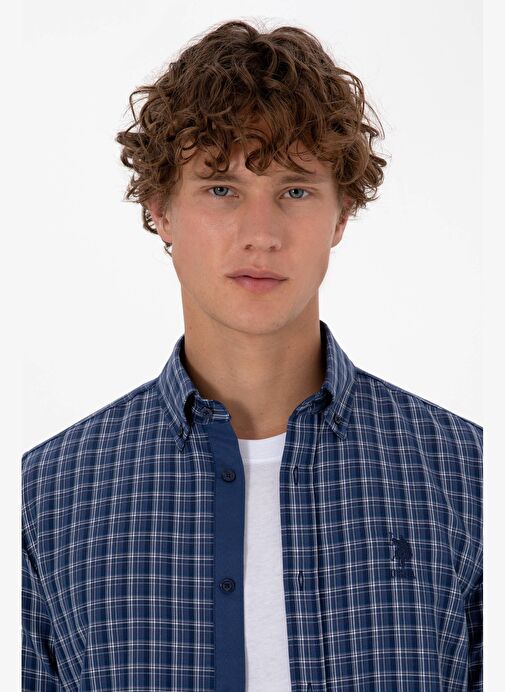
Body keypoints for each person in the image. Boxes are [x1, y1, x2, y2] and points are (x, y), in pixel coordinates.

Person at [22, 18, 482, 692]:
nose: (260, 234)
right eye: (221, 189)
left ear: (341, 215)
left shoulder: (468, 477)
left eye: (295, 190)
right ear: (160, 210)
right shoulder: (47, 498)